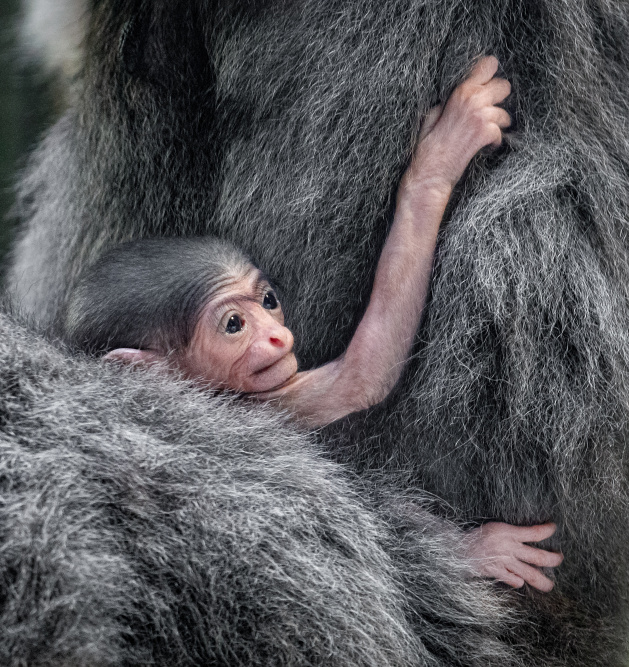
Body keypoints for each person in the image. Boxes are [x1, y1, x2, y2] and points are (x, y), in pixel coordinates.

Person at [64, 56, 563, 591]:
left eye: (268, 300)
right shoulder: (208, 451)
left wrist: (431, 177)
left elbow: (362, 380)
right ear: (146, 375)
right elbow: (361, 402)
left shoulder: (253, 408)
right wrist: (462, 552)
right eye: (233, 325)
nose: (276, 333)